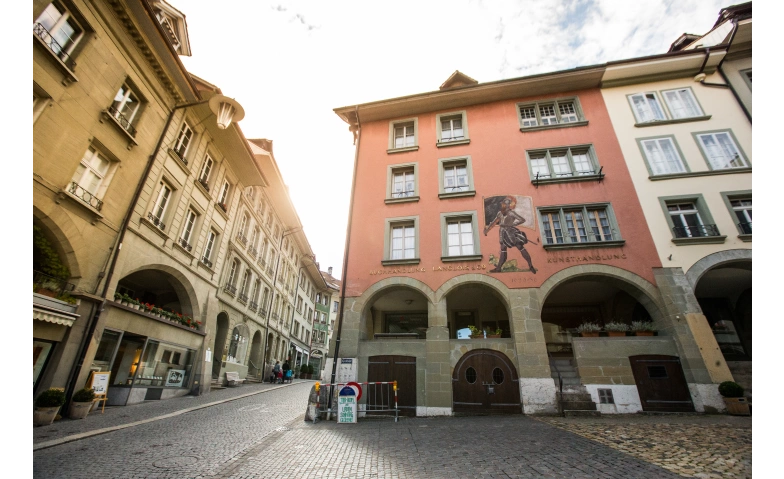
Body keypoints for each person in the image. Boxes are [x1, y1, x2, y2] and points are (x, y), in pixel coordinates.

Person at [484, 196, 537, 274]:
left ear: (509, 205)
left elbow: (522, 219)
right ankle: (498, 268)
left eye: (506, 204)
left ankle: (530, 266)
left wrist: (513, 224)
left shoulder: (511, 213)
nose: (504, 206)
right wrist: (487, 230)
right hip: (502, 232)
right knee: (503, 249)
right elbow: (494, 222)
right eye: (503, 204)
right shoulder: (500, 213)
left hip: (510, 232)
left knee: (520, 247)